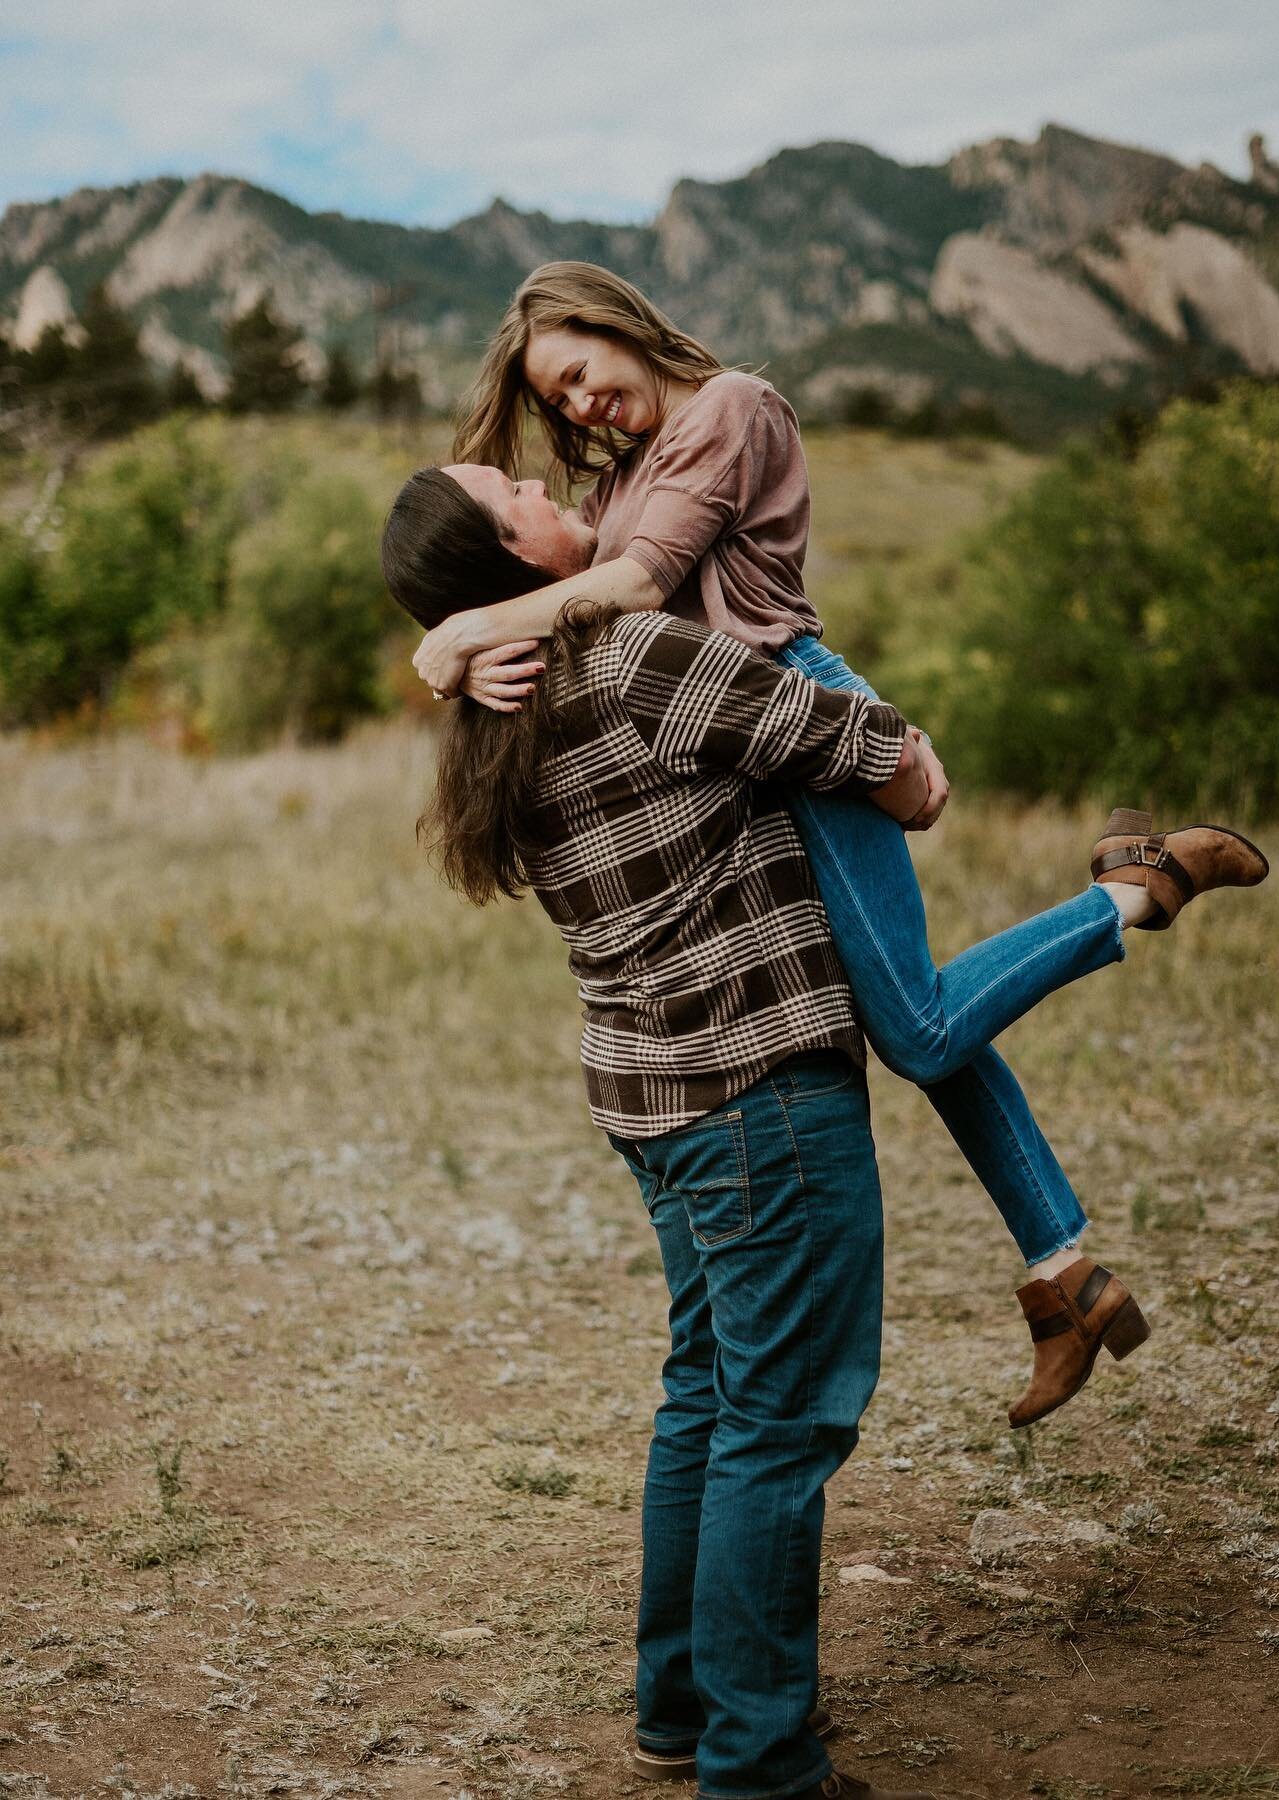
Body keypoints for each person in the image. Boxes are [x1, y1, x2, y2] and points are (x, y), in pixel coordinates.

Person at [407, 261, 1269, 1427]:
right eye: (556, 404)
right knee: (917, 1015)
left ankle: (1137, 888)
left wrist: (461, 635)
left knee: (912, 1024)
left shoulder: (728, 410)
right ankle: (1065, 1274)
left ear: (615, 326)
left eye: (579, 375)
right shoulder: (626, 478)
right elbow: (565, 578)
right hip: (733, 733)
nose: (577, 410)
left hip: (790, 710)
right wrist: (460, 640)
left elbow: (643, 582)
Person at [383, 471, 943, 1799]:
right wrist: (912, 757)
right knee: (779, 1418)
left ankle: (683, 1709)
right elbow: (866, 746)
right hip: (759, 1090)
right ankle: (758, 1765)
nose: (541, 477)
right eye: (513, 489)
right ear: (511, 558)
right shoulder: (632, 654)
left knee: (710, 1396)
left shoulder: (498, 715)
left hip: (656, 1099)